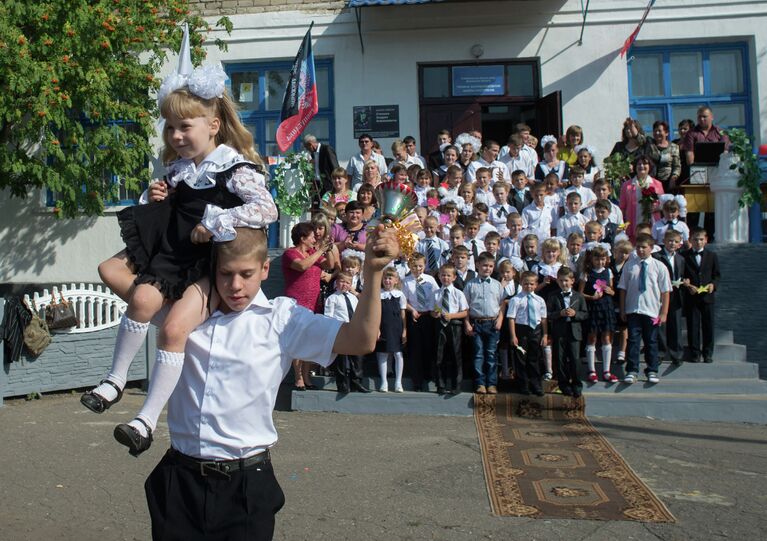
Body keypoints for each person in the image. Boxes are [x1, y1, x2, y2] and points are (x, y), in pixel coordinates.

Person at [143, 226, 398, 540]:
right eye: (225, 274)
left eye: (246, 273)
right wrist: (166, 215)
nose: (235, 286)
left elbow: (360, 340)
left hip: (244, 484)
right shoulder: (185, 315)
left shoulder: (282, 320)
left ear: (265, 269)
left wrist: (373, 274)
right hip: (179, 481)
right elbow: (112, 273)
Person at [84, 62, 280, 455]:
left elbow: (267, 209)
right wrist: (156, 197)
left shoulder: (234, 167)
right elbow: (169, 209)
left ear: (213, 125)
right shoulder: (177, 168)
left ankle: (146, 420)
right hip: (175, 257)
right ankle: (115, 378)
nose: (175, 136)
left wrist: (218, 220)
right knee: (140, 299)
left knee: (172, 330)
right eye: (170, 127)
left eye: (184, 126)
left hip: (208, 264)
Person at [283, 222, 338, 391]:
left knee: (309, 340)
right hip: (296, 303)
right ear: (302, 238)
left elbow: (329, 266)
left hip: (313, 303)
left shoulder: (313, 253)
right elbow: (302, 265)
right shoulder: (290, 253)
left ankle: (307, 377)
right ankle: (298, 377)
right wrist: (320, 251)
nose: (315, 238)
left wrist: (328, 249)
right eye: (312, 236)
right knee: (297, 340)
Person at [618, 233, 671, 384]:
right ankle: (632, 370)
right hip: (633, 309)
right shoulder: (630, 265)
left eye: (644, 247)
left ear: (651, 248)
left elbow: (665, 291)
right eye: (638, 247)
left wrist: (664, 312)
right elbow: (623, 288)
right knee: (633, 340)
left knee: (651, 341)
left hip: (652, 311)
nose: (641, 250)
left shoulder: (659, 267)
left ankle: (652, 370)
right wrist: (622, 309)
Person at [463, 252, 505, 395]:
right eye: (484, 266)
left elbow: (502, 304)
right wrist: (467, 323)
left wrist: (500, 320)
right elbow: (465, 307)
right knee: (478, 354)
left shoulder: (497, 285)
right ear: (477, 266)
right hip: (476, 323)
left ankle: (492, 384)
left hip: (492, 324)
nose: (487, 269)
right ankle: (480, 383)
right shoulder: (470, 285)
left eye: (490, 266)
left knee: (491, 355)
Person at [324, 271, 370, 393]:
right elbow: (329, 316)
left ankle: (357, 382)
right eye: (342, 282)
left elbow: (357, 313)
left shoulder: (353, 298)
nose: (345, 285)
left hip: (353, 329)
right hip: (340, 330)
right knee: (341, 359)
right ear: (337, 283)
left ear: (351, 284)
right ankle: (343, 384)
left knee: (357, 357)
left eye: (348, 282)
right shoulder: (332, 298)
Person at [579, 246, 618, 383]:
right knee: (592, 338)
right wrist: (592, 297)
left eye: (602, 259)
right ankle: (592, 371)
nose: (600, 262)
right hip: (593, 308)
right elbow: (580, 294)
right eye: (597, 259)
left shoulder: (609, 271)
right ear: (592, 259)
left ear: (606, 259)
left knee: (606, 338)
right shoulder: (586, 273)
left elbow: (613, 291)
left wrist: (609, 290)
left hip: (606, 307)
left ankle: (606, 371)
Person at [547, 267, 588, 397]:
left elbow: (585, 314)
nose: (563, 283)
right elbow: (548, 314)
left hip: (575, 332)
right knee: (560, 360)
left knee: (575, 359)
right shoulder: (553, 295)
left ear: (572, 281)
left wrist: (575, 314)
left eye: (566, 281)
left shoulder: (579, 296)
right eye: (560, 281)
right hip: (559, 332)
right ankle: (563, 385)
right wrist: (560, 313)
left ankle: (577, 385)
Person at [681, 227, 720, 364]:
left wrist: (713, 285)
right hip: (692, 296)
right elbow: (681, 275)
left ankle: (708, 353)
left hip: (707, 297)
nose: (698, 242)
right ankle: (695, 353)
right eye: (695, 239)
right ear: (691, 240)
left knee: (708, 325)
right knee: (693, 325)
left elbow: (716, 275)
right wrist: (685, 284)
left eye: (701, 239)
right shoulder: (684, 256)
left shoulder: (712, 256)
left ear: (706, 240)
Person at [507, 271, 548, 396]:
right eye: (526, 284)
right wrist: (513, 336)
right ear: (521, 283)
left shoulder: (540, 300)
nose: (528, 286)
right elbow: (511, 318)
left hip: (535, 331)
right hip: (521, 331)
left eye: (531, 284)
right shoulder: (516, 299)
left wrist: (545, 335)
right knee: (521, 359)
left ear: (536, 285)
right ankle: (523, 385)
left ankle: (536, 385)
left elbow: (544, 319)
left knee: (534, 359)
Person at [402, 252, 439, 391]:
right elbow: (403, 300)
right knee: (415, 350)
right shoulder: (406, 281)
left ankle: (428, 376)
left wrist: (435, 310)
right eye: (414, 266)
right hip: (415, 317)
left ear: (424, 265)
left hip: (429, 316)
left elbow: (437, 297)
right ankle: (416, 381)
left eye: (420, 266)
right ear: (410, 266)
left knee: (428, 347)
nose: (417, 269)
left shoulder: (430, 280)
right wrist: (412, 310)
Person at [431, 263, 469, 395]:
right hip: (440, 325)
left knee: (455, 354)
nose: (445, 278)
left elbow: (465, 312)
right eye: (443, 275)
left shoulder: (458, 293)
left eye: (448, 275)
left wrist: (452, 316)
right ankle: (440, 384)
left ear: (453, 277)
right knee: (439, 355)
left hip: (454, 325)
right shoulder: (436, 293)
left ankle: (456, 385)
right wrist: (435, 313)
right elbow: (433, 309)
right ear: (439, 277)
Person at [653, 229, 686, 366]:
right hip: (660, 295)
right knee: (661, 325)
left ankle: (676, 354)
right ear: (664, 242)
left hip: (676, 294)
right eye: (670, 241)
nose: (673, 244)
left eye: (676, 242)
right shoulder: (656, 257)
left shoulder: (681, 258)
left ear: (680, 244)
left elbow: (682, 274)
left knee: (676, 325)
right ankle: (660, 352)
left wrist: (684, 281)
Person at [376, 268, 407, 393]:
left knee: (398, 354)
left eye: (390, 278)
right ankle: (384, 382)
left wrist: (405, 330)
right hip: (383, 327)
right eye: (385, 278)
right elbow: (376, 314)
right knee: (383, 353)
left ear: (396, 280)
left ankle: (398, 382)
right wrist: (377, 329)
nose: (387, 281)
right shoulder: (379, 294)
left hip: (397, 328)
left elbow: (403, 314)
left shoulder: (400, 295)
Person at [619, 155, 665, 240]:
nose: (641, 166)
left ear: (650, 166)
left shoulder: (657, 184)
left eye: (645, 163)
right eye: (639, 164)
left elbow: (662, 205)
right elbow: (622, 208)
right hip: (632, 223)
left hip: (652, 221)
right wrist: (622, 226)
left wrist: (654, 208)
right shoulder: (627, 185)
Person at [648, 121, 681, 193]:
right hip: (651, 182)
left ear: (666, 133)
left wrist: (673, 178)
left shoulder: (674, 147)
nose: (657, 133)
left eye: (659, 131)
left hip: (667, 183)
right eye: (655, 131)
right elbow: (638, 137)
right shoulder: (649, 145)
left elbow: (677, 166)